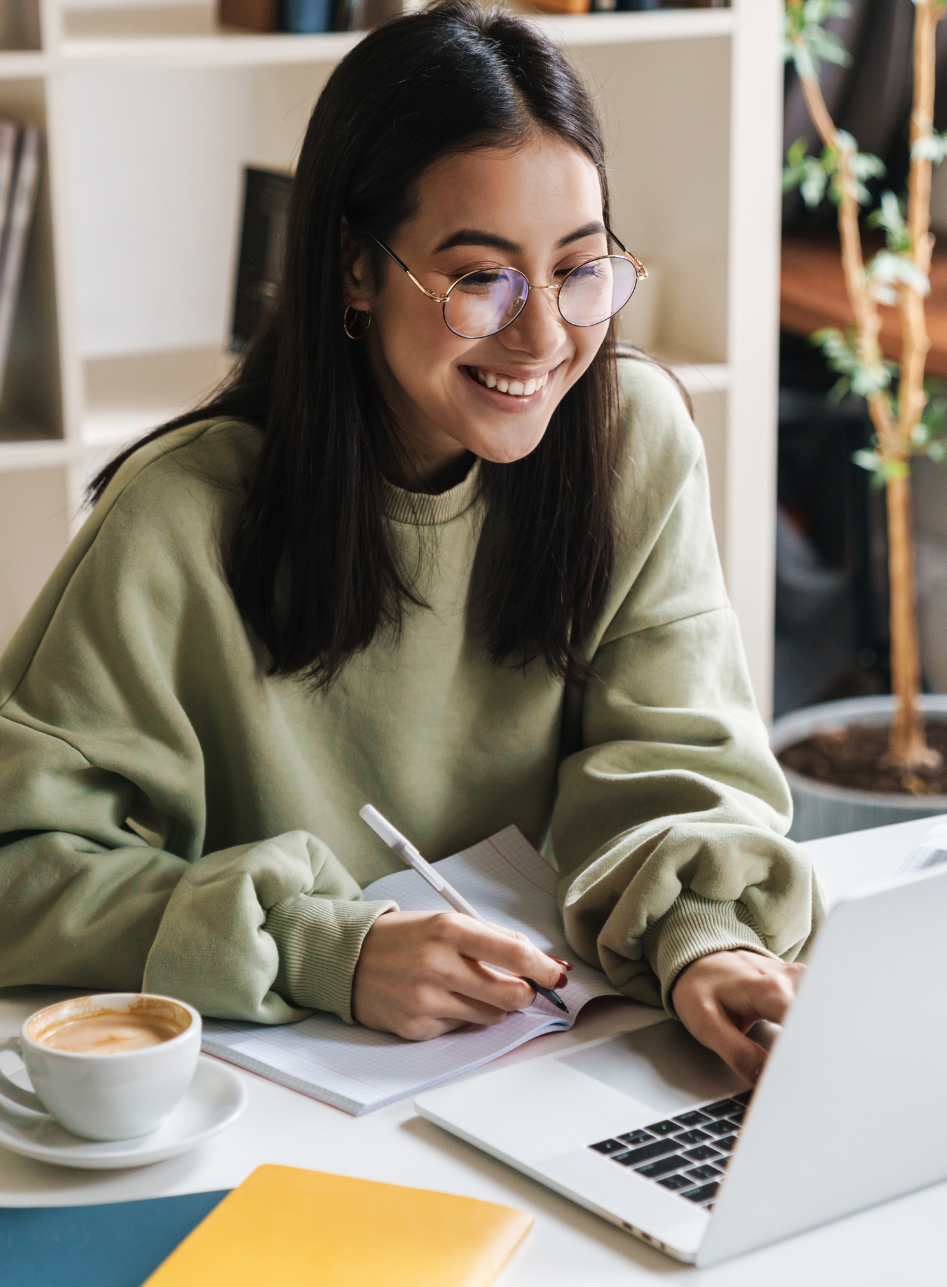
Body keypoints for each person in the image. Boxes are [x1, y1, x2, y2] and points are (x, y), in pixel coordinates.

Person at [0, 1, 822, 1085]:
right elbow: (22, 869)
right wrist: (324, 947)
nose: (543, 336)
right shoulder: (180, 515)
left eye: (579, 269)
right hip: (274, 1100)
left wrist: (707, 939)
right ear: (356, 267)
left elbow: (677, 767)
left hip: (551, 1061)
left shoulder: (633, 441)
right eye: (482, 279)